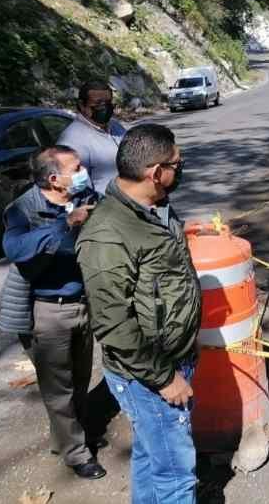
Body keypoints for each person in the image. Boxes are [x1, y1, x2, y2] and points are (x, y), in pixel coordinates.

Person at [76, 124, 201, 504]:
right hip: (148, 374)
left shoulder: (154, 206)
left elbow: (158, 266)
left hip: (173, 358)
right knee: (177, 474)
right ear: (155, 172)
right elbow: (112, 324)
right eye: (177, 164)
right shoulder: (107, 235)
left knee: (151, 455)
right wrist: (165, 379)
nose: (181, 170)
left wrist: (184, 234)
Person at [0, 145, 106, 480]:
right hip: (46, 311)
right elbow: (15, 249)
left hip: (84, 304)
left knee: (81, 378)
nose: (84, 169)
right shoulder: (23, 209)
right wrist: (64, 225)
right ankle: (77, 453)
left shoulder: (86, 196)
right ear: (55, 179)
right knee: (58, 389)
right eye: (77, 166)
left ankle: (70, 436)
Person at [58, 79, 127, 194]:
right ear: (82, 105)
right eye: (98, 103)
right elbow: (78, 192)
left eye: (108, 102)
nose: (104, 107)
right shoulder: (72, 141)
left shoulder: (116, 127)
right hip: (107, 208)